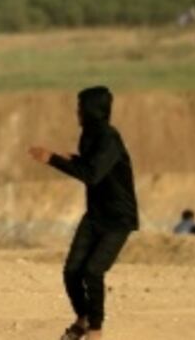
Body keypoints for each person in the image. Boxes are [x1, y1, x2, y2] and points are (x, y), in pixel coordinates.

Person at [29, 86, 138, 340]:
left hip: (118, 218)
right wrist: (70, 159)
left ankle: (96, 331)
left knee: (92, 271)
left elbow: (92, 174)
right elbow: (91, 168)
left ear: (91, 110)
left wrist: (53, 160)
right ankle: (82, 319)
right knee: (71, 271)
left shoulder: (109, 137)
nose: (76, 111)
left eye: (80, 107)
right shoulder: (89, 135)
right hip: (95, 215)